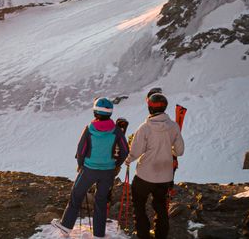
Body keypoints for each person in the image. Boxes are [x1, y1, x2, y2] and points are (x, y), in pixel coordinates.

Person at [50, 97, 129, 237]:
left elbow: (81, 149)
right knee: (101, 201)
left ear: (95, 112)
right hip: (108, 171)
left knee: (76, 195)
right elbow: (124, 150)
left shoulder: (90, 129)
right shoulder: (117, 131)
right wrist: (116, 165)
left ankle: (66, 226)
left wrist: (80, 165)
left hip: (89, 170)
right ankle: (99, 233)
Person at [126, 89, 185, 239]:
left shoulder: (144, 128)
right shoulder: (174, 127)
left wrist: (127, 160)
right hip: (165, 176)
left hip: (144, 176)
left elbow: (135, 152)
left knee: (139, 207)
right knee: (161, 208)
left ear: (150, 108)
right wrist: (169, 149)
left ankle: (143, 235)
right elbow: (179, 151)